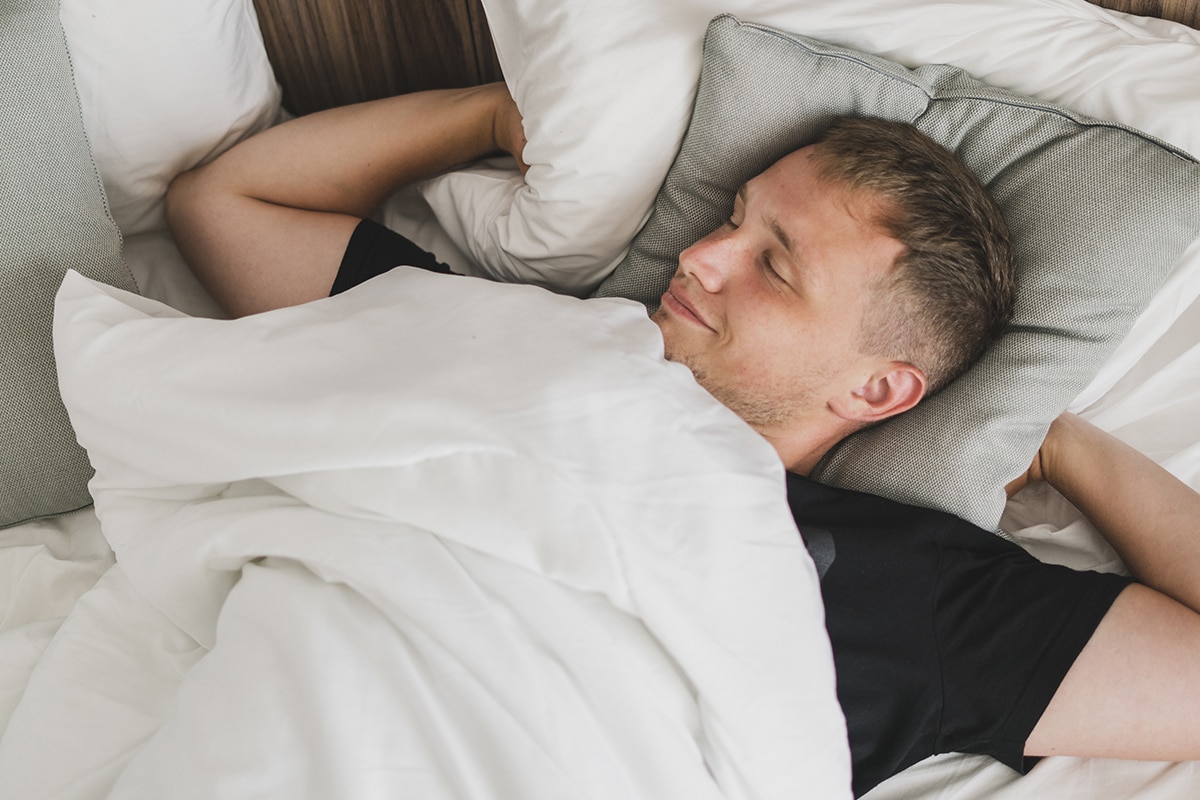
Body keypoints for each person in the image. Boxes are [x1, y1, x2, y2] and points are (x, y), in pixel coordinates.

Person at [165, 84, 1200, 796]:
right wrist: (482, 112)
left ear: (881, 386)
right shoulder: (524, 348)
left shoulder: (915, 588)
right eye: (734, 218)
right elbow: (224, 204)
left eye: (774, 263)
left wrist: (1070, 449)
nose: (704, 255)